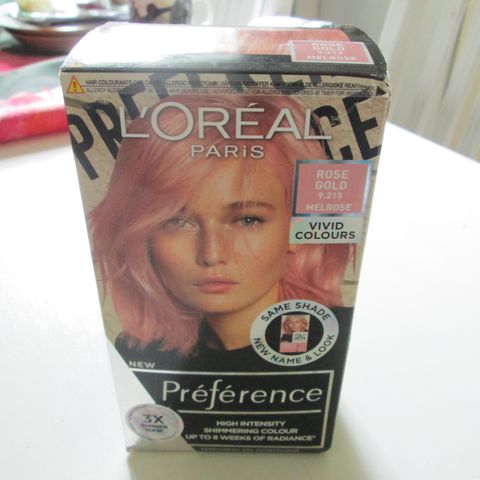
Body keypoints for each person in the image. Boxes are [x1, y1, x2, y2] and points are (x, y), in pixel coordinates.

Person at [89, 94, 353, 366]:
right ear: (142, 236)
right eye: (177, 222)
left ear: (298, 227)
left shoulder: (344, 342)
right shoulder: (139, 353)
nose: (212, 254)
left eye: (248, 220)